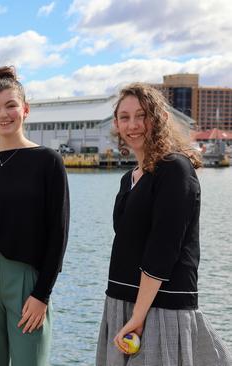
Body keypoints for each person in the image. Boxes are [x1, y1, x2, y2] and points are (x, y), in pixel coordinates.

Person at [96, 83, 232, 365]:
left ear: (161, 119)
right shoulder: (130, 178)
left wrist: (138, 316)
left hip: (160, 307)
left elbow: (163, 250)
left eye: (142, 115)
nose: (133, 125)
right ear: (117, 124)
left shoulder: (175, 169)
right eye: (125, 117)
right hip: (121, 301)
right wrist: (127, 313)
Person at [0, 66, 70, 365]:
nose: (3, 114)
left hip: (26, 281)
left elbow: (58, 233)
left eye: (10, 105)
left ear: (25, 109)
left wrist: (42, 294)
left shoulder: (48, 161)